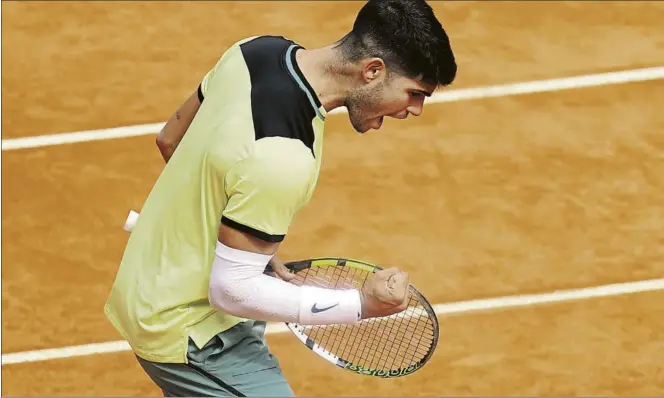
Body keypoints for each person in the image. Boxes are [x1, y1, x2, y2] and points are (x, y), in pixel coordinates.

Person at [103, 0, 457, 396]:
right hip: (191, 330)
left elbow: (170, 139)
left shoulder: (255, 52)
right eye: (414, 92)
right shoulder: (284, 157)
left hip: (152, 282)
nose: (416, 110)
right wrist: (363, 306)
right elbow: (231, 290)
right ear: (372, 70)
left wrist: (242, 238)